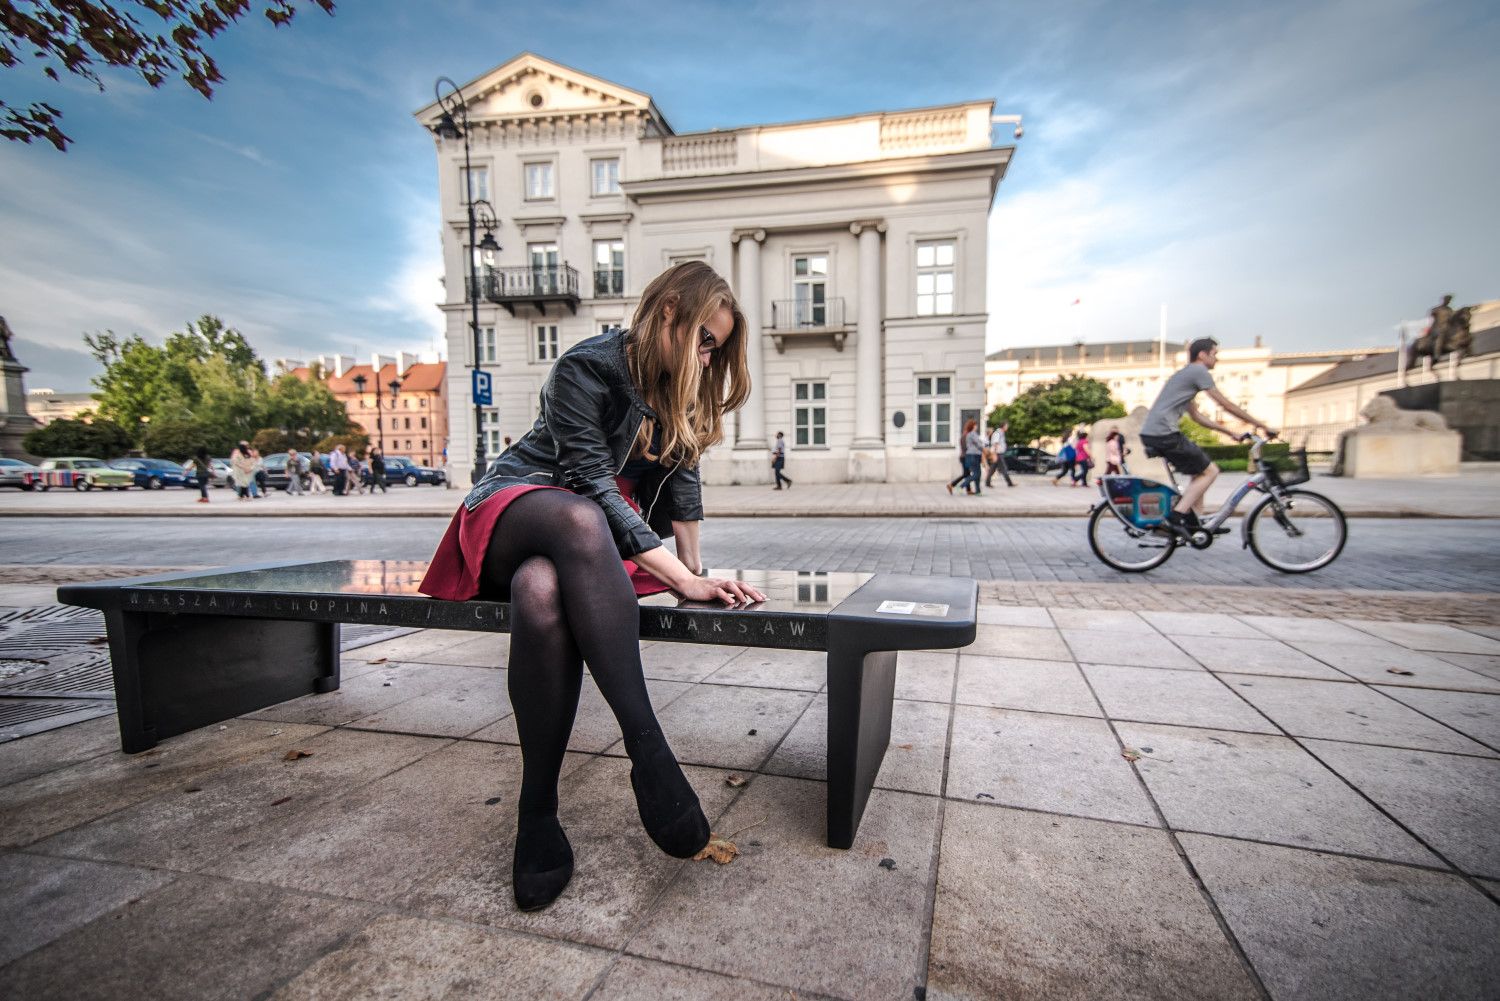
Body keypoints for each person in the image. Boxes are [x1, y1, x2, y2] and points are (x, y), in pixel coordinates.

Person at [419, 262, 765, 913]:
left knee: (543, 593)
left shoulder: (678, 391)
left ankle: (537, 812)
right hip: (521, 506)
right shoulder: (589, 366)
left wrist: (696, 575)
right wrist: (681, 574)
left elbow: (682, 488)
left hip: (596, 547)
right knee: (577, 520)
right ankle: (647, 747)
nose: (706, 353)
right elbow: (592, 486)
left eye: (715, 345)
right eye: (702, 337)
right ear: (667, 312)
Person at [1140, 337, 1275, 535]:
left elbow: (1197, 417)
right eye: (1214, 354)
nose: (1216, 359)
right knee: (1210, 471)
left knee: (1199, 473)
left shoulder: (1185, 376)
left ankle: (1195, 524)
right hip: (1163, 433)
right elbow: (1225, 404)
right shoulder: (1198, 371)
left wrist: (1230, 432)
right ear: (1202, 355)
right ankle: (1175, 518)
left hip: (1156, 433)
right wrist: (1261, 425)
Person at [953, 418, 984, 495]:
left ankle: (978, 491)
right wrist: (985, 448)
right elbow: (979, 444)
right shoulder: (972, 434)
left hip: (970, 456)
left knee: (977, 473)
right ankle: (961, 486)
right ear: (973, 426)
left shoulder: (967, 434)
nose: (977, 426)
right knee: (976, 474)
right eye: (976, 425)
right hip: (974, 455)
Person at [985, 421, 1014, 488]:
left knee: (992, 469)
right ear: (1003, 426)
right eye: (1006, 426)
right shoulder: (998, 433)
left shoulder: (1000, 433)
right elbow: (995, 443)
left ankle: (987, 482)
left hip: (998, 453)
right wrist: (994, 454)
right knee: (1004, 468)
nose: (1007, 427)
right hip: (997, 454)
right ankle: (1009, 483)